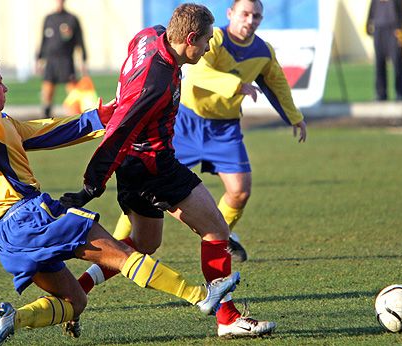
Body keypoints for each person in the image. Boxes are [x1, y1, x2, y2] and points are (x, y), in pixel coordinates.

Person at [0, 56, 241, 346]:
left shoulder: (2, 124)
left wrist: (100, 117)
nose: (5, 88)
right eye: (0, 82)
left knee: (75, 301)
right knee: (122, 254)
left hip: (7, 237)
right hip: (29, 218)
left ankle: (12, 319)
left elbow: (49, 130)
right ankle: (202, 296)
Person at [60, 3, 276, 338]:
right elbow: (118, 132)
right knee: (216, 229)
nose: (207, 49)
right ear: (189, 38)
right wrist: (90, 188)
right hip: (154, 167)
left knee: (143, 245)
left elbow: (132, 69)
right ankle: (228, 318)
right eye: (204, 42)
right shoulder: (156, 82)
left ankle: (76, 292)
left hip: (137, 168)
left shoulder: (149, 36)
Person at [111, 0, 307, 263]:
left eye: (257, 16)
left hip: (224, 128)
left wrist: (294, 117)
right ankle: (116, 245)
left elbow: (277, 82)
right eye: (245, 14)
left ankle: (221, 238)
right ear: (231, 14)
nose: (250, 20)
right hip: (187, 123)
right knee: (143, 190)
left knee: (240, 190)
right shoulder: (212, 39)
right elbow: (199, 74)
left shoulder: (263, 51)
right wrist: (237, 85)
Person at [36, 0, 87, 118]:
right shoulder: (49, 18)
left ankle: (77, 119)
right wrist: (39, 58)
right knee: (47, 91)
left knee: (73, 92)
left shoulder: (72, 19)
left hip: (66, 60)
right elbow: (43, 41)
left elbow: (80, 40)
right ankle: (46, 118)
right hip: (51, 60)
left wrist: (83, 59)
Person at [366, 0, 402, 101]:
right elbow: (372, 6)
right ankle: (381, 93)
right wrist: (368, 22)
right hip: (379, 27)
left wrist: (400, 26)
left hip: (394, 28)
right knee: (379, 63)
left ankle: (400, 93)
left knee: (397, 62)